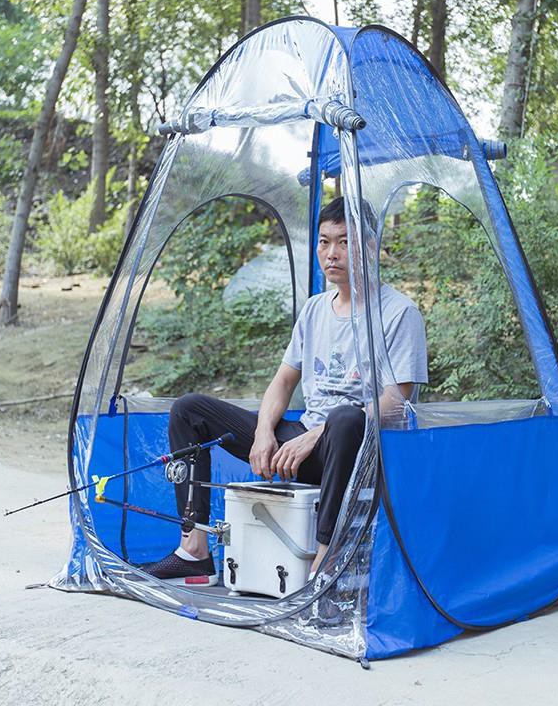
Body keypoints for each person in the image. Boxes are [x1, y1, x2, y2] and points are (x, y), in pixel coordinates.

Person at [144, 196, 428, 584]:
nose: (332, 254)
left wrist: (316, 435)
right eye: (324, 242)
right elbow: (282, 381)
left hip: (354, 451)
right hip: (301, 445)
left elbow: (397, 402)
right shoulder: (314, 309)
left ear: (371, 246)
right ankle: (193, 549)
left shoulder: (399, 312)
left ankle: (326, 560)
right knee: (189, 409)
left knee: (344, 418)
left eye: (345, 242)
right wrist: (263, 433)